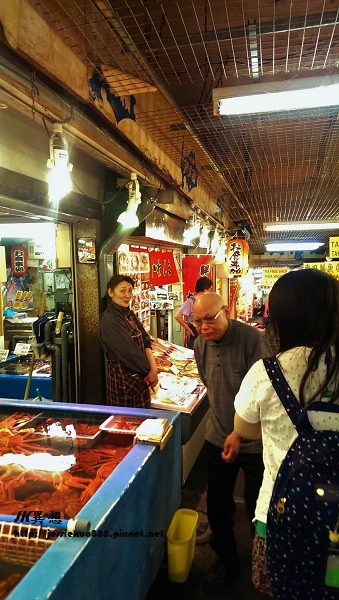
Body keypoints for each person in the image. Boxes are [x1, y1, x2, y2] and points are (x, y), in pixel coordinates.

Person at [233, 269, 339, 596]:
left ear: (282, 319)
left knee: (285, 587)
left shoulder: (267, 372)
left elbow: (245, 428)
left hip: (284, 508)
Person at [192, 292, 272, 593]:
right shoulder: (199, 344)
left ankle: (260, 560)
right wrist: (225, 427)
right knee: (217, 505)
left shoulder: (252, 340)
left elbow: (266, 393)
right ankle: (226, 559)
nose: (203, 327)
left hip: (254, 442)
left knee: (257, 504)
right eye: (197, 321)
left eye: (210, 319)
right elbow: (209, 386)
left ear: (226, 311)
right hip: (217, 437)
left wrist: (239, 433)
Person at [100, 274, 158, 408]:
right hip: (124, 386)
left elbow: (146, 339)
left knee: (143, 424)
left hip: (140, 382)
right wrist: (148, 372)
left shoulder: (129, 314)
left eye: (130, 290)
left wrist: (153, 370)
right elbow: (129, 353)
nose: (128, 295)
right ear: (110, 292)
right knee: (125, 425)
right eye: (122, 291)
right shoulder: (110, 320)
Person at [174, 276, 212, 349]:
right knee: (193, 354)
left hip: (205, 332)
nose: (210, 291)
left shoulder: (206, 301)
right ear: (205, 289)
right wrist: (188, 328)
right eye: (209, 289)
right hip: (195, 332)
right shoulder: (190, 301)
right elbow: (177, 316)